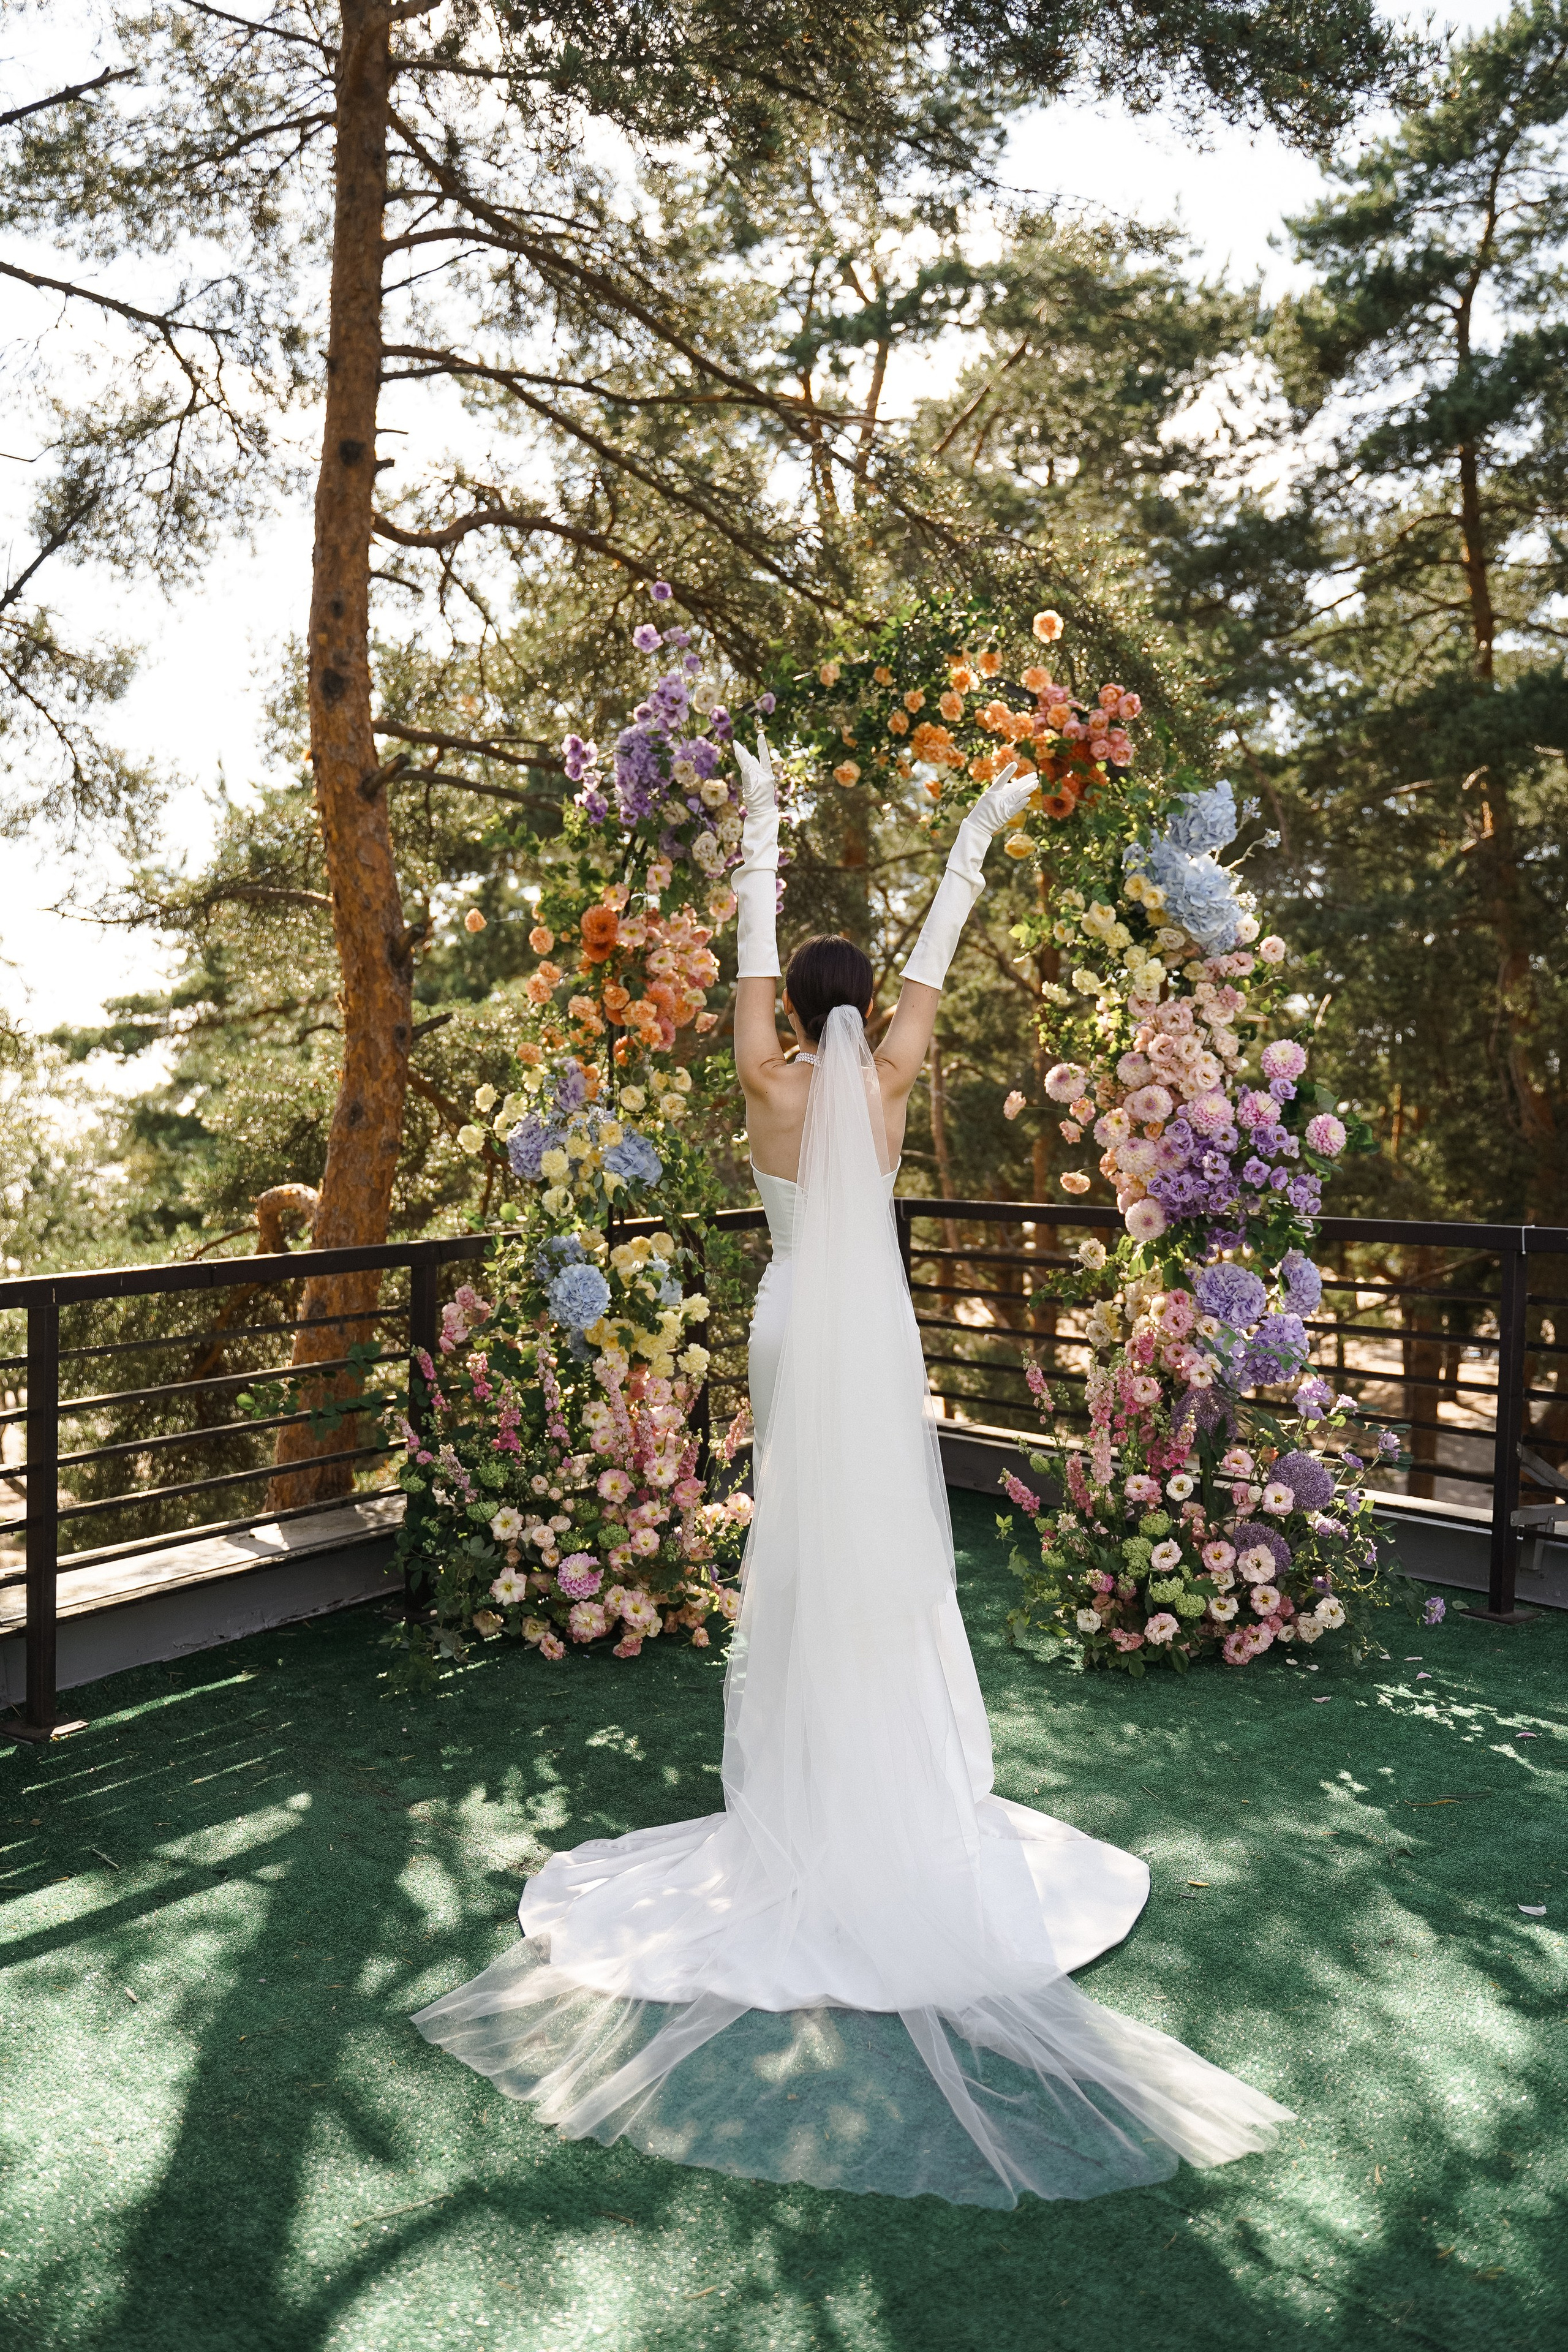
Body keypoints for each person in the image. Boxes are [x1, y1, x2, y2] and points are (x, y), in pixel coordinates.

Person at [414, 736, 1291, 2206]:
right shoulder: (883, 1078)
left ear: (786, 1012)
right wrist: (982, 829)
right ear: (867, 1010)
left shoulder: (762, 1079)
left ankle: (808, 1800)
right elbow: (936, 942)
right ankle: (890, 1791)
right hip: (876, 1346)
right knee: (886, 1563)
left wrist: (759, 818)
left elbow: (756, 966)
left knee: (806, 1556)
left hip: (787, 1326)